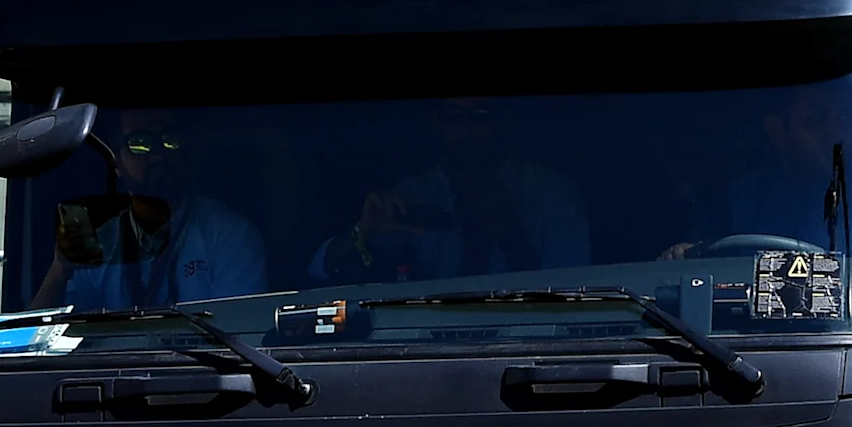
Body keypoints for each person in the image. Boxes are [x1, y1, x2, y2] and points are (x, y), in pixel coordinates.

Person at [313, 97, 590, 283]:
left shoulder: (553, 194)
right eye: (452, 117)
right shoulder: (414, 195)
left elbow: (572, 298)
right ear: (436, 122)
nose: (466, 131)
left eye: (480, 117)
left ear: (503, 120)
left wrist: (511, 236)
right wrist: (363, 231)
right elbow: (320, 271)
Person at [37, 110, 268, 311]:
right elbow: (39, 339)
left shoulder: (229, 236)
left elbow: (237, 338)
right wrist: (59, 271)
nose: (158, 154)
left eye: (171, 140)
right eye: (140, 143)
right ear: (116, 163)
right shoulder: (99, 245)